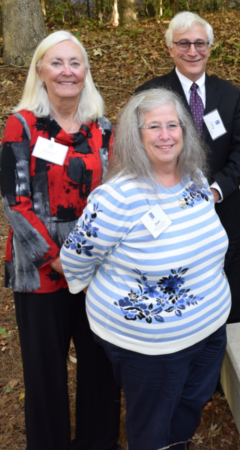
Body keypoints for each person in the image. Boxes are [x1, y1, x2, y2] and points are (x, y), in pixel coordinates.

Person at [60, 89, 231, 450]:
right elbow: (75, 258)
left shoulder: (196, 181)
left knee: (187, 410)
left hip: (209, 330)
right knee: (152, 427)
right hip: (150, 349)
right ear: (135, 137)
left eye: (173, 125)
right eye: (153, 127)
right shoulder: (116, 198)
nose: (165, 135)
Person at [0, 31, 121, 450]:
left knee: (100, 365)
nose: (67, 71)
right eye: (57, 63)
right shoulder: (21, 125)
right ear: (40, 70)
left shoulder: (102, 128)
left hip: (97, 271)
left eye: (75, 62)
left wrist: (94, 257)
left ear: (86, 71)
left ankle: (98, 441)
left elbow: (115, 195)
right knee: (44, 371)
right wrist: (56, 259)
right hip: (40, 272)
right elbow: (14, 203)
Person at [136, 11, 240, 326]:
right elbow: (137, 155)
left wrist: (213, 192)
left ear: (210, 47)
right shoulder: (150, 94)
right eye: (183, 43)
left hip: (222, 212)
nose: (192, 51)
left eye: (200, 43)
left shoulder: (230, 95)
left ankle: (227, 370)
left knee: (227, 296)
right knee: (178, 298)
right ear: (170, 48)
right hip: (168, 216)